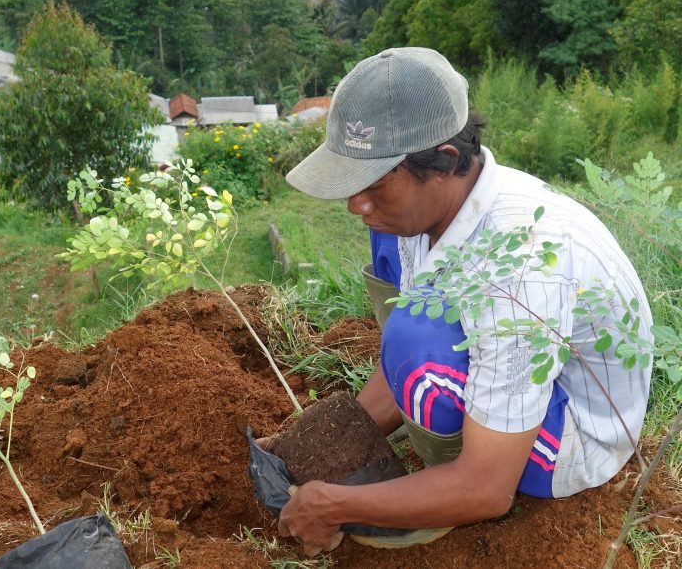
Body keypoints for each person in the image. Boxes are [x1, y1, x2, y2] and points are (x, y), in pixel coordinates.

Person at [280, 47, 653, 553]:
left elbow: (485, 490)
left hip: (577, 438)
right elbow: (394, 372)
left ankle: (443, 484)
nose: (354, 204)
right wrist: (307, 447)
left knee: (419, 336)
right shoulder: (431, 209)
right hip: (527, 377)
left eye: (374, 183)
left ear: (445, 162)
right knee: (397, 273)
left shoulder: (521, 268)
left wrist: (333, 504)